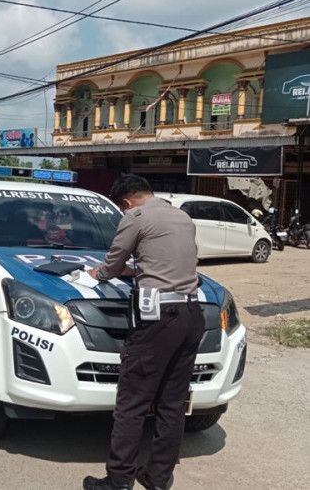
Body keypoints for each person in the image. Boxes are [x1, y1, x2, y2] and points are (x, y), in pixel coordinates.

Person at [82, 174, 204, 490]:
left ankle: (119, 480)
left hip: (157, 319)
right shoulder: (181, 216)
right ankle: (158, 478)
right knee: (172, 403)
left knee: (132, 402)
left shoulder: (136, 216)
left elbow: (110, 265)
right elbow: (174, 262)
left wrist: (100, 271)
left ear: (125, 202)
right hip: (191, 315)